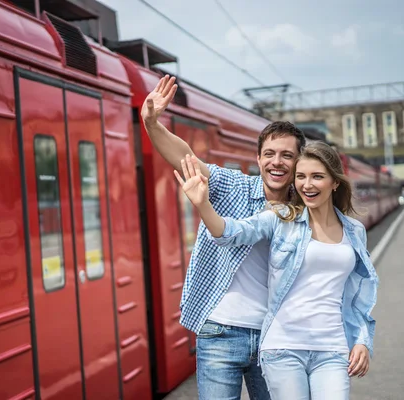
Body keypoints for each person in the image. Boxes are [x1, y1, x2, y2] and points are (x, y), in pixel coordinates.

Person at [141, 75, 306, 399]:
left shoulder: (304, 212)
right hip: (219, 331)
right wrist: (151, 124)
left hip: (276, 338)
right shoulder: (233, 186)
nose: (277, 162)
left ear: (298, 162)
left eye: (287, 155)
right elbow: (186, 158)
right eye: (269, 154)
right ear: (258, 160)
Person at [174, 142, 378, 400]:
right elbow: (230, 233)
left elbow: (357, 294)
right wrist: (203, 205)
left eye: (317, 177)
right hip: (284, 348)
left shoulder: (354, 230)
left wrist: (361, 339)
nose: (307, 185)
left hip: (332, 347)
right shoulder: (282, 218)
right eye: (301, 177)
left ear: (334, 182)